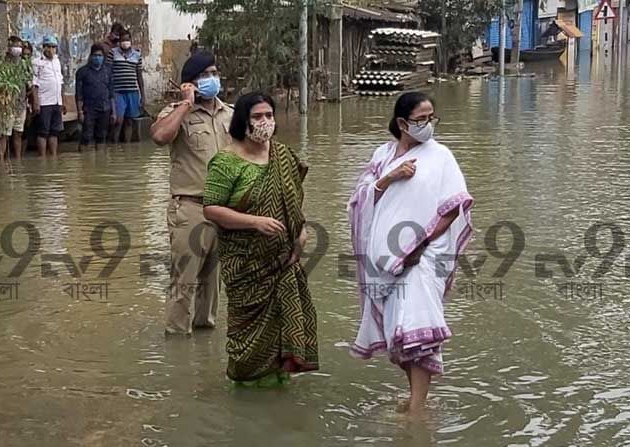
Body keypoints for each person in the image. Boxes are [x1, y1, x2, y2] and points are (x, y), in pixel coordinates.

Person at [348, 92, 473, 414]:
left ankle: (417, 408)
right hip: (385, 262)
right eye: (421, 119)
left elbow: (452, 208)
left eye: (432, 117)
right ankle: (416, 399)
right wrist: (389, 178)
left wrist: (420, 244)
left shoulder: (441, 156)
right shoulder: (382, 156)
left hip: (425, 258)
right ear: (403, 123)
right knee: (396, 334)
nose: (429, 124)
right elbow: (359, 199)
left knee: (418, 328)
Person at [202, 92, 318, 387]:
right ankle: (247, 391)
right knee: (248, 340)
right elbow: (211, 209)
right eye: (257, 116)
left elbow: (293, 201)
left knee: (283, 331)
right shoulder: (226, 162)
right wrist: (255, 222)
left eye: (269, 115)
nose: (265, 122)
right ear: (243, 121)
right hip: (246, 266)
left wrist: (300, 232)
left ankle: (279, 388)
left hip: (284, 261)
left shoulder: (283, 156)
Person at [150, 51, 232, 336]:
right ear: (191, 82)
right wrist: (186, 104)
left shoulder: (231, 114)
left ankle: (204, 347)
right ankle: (177, 347)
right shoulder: (175, 113)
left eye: (215, 72)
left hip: (224, 210)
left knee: (212, 287)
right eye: (206, 74)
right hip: (189, 209)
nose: (213, 79)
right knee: (184, 282)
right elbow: (160, 137)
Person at [75, 43, 114, 151]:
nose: (98, 58)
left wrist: (114, 112)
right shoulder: (82, 72)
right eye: (95, 55)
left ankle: (100, 162)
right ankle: (83, 161)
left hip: (105, 108)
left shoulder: (108, 71)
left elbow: (111, 92)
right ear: (91, 56)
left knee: (102, 136)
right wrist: (80, 112)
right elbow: (78, 94)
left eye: (100, 56)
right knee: (86, 136)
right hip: (89, 109)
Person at [107, 30, 144, 143]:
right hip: (117, 92)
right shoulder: (112, 53)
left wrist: (143, 95)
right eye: (123, 40)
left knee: (129, 121)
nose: (125, 42)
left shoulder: (137, 55)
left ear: (131, 40)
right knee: (118, 121)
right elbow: (108, 72)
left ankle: (126, 149)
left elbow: (139, 76)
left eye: (127, 39)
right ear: (119, 41)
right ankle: (114, 146)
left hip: (132, 92)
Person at [32, 35, 65, 157]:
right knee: (43, 132)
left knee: (54, 132)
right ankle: (42, 158)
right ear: (44, 47)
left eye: (54, 47)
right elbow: (34, 84)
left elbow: (60, 82)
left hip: (57, 102)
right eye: (49, 47)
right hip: (44, 102)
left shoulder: (57, 61)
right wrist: (36, 102)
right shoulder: (36, 62)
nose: (51, 50)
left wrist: (63, 102)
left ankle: (53, 157)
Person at [0, 36, 28, 160]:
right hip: (7, 105)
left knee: (18, 133)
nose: (18, 49)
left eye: (19, 46)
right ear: (9, 47)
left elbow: (29, 84)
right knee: (4, 134)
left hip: (21, 104)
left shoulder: (23, 64)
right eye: (16, 46)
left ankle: (18, 160)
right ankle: (0, 160)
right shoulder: (3, 64)